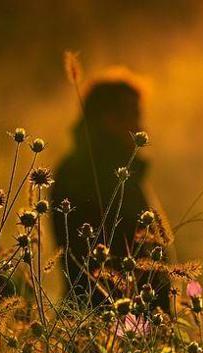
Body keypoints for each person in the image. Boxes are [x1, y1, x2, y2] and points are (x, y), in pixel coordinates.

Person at [51, 68, 170, 311]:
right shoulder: (91, 174)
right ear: (108, 118)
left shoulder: (124, 169)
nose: (140, 125)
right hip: (109, 315)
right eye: (134, 115)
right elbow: (88, 254)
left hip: (122, 313)